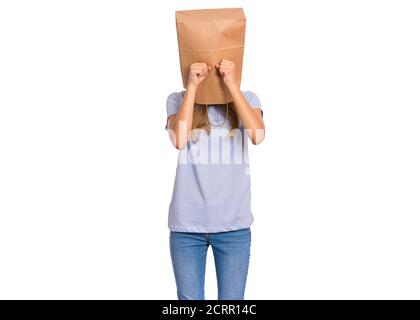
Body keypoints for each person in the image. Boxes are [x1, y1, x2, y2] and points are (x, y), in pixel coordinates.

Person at [165, 59, 265, 300]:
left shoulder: (248, 98)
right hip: (187, 227)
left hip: (234, 227)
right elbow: (178, 140)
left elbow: (258, 135)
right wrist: (192, 87)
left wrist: (231, 85)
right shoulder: (177, 99)